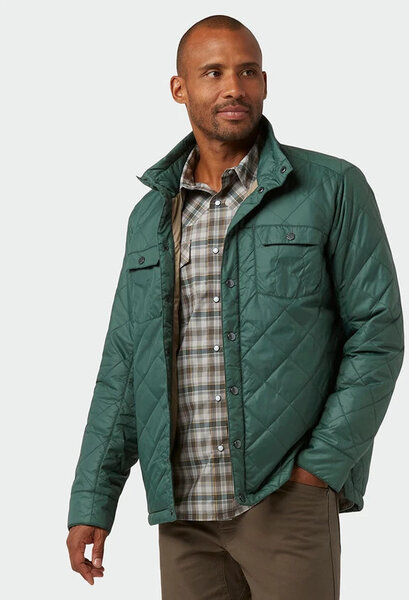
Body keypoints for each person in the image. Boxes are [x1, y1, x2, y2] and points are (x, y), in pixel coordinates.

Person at [66, 14, 405, 599]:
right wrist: (92, 500)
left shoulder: (332, 186)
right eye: (213, 72)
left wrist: (318, 470)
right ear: (180, 89)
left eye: (248, 72)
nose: (234, 87)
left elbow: (377, 335)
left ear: (264, 83)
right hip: (182, 512)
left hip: (286, 497)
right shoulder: (151, 217)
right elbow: (124, 364)